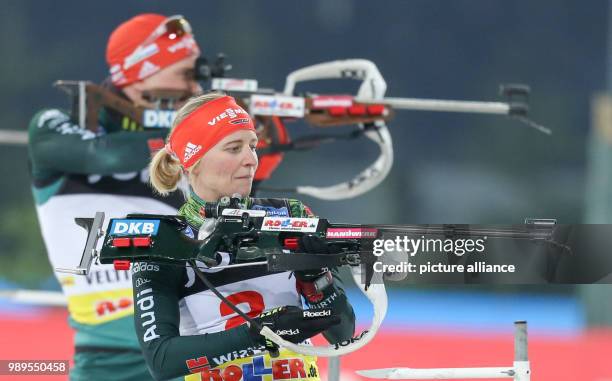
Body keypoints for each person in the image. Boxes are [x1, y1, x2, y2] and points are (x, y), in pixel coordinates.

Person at [133, 92, 356, 381]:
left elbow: (343, 332)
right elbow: (161, 360)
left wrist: (314, 274)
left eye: (253, 146)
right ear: (194, 161)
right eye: (233, 148)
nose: (251, 160)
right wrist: (261, 333)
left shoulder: (291, 216)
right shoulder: (166, 237)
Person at [28, 13, 201, 381]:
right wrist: (193, 134)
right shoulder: (54, 124)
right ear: (140, 76)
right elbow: (105, 155)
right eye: (184, 73)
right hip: (107, 356)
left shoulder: (186, 148)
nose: (194, 85)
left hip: (192, 344)